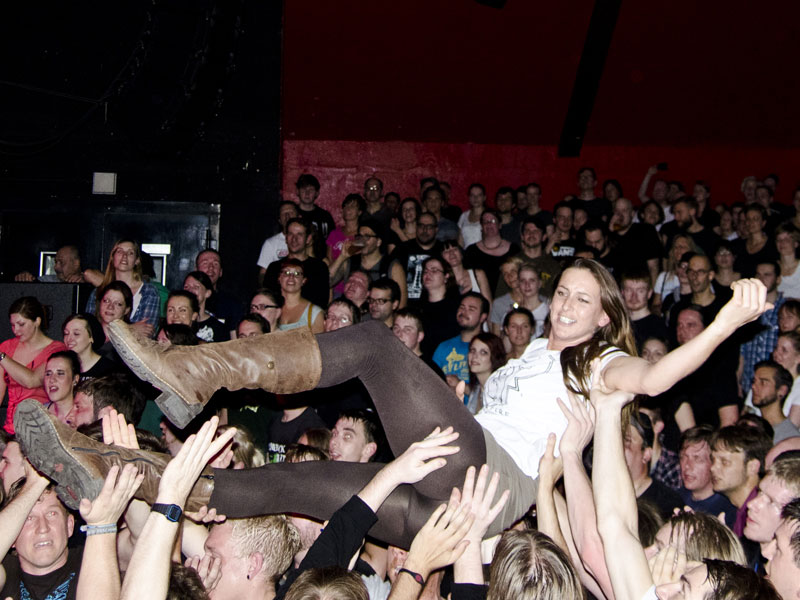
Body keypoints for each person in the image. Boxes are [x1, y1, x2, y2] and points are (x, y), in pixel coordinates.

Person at [21, 262, 771, 552]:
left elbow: (659, 373)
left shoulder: (601, 363)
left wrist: (731, 321)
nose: (567, 307)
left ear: (605, 316)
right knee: (285, 489)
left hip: (483, 478)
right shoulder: (536, 354)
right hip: (435, 503)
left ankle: (192, 372)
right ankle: (104, 473)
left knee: (377, 344)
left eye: (583, 300)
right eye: (563, 294)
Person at [0, 297, 67, 433]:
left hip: (40, 428)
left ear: (37, 321)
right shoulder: (7, 347)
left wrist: (1, 356)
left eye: (21, 324)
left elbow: (31, 381)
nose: (16, 330)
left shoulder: (56, 350)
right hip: (10, 427)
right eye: (13, 325)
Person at [85, 239, 161, 338]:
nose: (124, 256)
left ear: (137, 260)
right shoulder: (98, 291)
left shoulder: (149, 292)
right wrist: (131, 328)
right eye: (120, 251)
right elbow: (88, 329)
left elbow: (147, 333)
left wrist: (108, 329)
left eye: (130, 253)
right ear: (113, 257)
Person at [710, 424, 773, 536]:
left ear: (752, 467)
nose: (713, 468)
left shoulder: (761, 517)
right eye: (713, 460)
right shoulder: (732, 511)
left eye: (725, 462)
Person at [264, 218, 331, 309]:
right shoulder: (274, 268)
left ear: (308, 239)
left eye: (299, 234)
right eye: (291, 234)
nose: (294, 239)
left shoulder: (319, 267)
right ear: (286, 238)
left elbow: (321, 302)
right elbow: (268, 300)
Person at [677, 425, 737, 526]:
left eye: (697, 459)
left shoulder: (727, 511)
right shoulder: (674, 499)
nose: (687, 466)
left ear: (713, 463)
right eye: (683, 457)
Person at [432, 292, 490, 386]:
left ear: (483, 317)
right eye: (462, 307)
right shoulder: (444, 347)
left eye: (471, 309)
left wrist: (460, 385)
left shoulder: (488, 347)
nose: (464, 312)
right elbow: (431, 381)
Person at [390, 211, 443, 302]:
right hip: (406, 305)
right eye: (421, 226)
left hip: (435, 305)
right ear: (416, 227)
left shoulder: (444, 251)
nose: (424, 230)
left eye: (429, 227)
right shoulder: (402, 249)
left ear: (436, 229)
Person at [463, 210, 519, 292]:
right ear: (482, 226)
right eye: (485, 222)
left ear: (499, 225)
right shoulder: (471, 251)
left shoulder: (514, 249)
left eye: (492, 221)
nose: (489, 224)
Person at [274, 259, 324, 334]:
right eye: (287, 272)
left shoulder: (315, 313)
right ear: (279, 278)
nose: (291, 277)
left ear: (303, 280)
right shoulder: (268, 308)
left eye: (297, 273)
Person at [257, 200, 300, 286]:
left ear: (299, 216)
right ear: (279, 220)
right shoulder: (271, 243)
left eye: (290, 212)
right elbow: (263, 274)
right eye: (284, 213)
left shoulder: (306, 241)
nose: (287, 216)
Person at [62, 313, 117, 379]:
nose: (69, 339)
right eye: (66, 333)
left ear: (91, 337)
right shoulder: (64, 367)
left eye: (76, 334)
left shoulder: (109, 370)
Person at [183, 271, 229, 342]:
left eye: (196, 287)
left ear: (207, 293)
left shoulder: (218, 328)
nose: (190, 290)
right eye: (186, 287)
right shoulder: (178, 322)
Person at [465, 332, 506, 415]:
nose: (475, 356)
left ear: (495, 357)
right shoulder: (476, 389)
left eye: (483, 352)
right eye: (473, 351)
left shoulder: (500, 391)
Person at [441, 240, 492, 304]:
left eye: (455, 249)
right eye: (447, 251)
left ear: (461, 254)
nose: (451, 253)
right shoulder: (441, 280)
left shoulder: (478, 274)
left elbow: (488, 303)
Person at [294, 173, 335, 243]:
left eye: (311, 190)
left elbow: (332, 242)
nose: (307, 193)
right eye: (304, 189)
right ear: (297, 191)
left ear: (317, 193)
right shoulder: (292, 214)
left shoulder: (325, 216)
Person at [43, 350, 80, 423]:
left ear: (75, 379)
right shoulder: (39, 413)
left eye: (60, 373)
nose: (52, 379)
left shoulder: (83, 416)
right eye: (48, 374)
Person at [14, 244, 84, 283]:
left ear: (76, 263)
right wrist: (25, 277)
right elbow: (34, 282)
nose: (56, 267)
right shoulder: (49, 281)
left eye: (61, 262)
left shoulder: (88, 281)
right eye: (56, 262)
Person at [457, 183, 487, 248]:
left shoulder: (489, 216)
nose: (475, 198)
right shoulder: (463, 216)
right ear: (469, 197)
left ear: (484, 197)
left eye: (479, 195)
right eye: (472, 195)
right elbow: (460, 241)